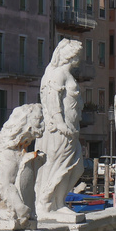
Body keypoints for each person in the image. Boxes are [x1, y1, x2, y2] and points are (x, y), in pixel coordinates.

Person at [35, 38, 85, 219]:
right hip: (60, 130)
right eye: (77, 55)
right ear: (70, 56)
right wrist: (60, 123)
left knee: (75, 167)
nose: (79, 58)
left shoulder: (65, 74)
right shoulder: (57, 74)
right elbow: (51, 99)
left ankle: (58, 202)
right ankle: (46, 204)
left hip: (70, 129)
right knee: (56, 165)